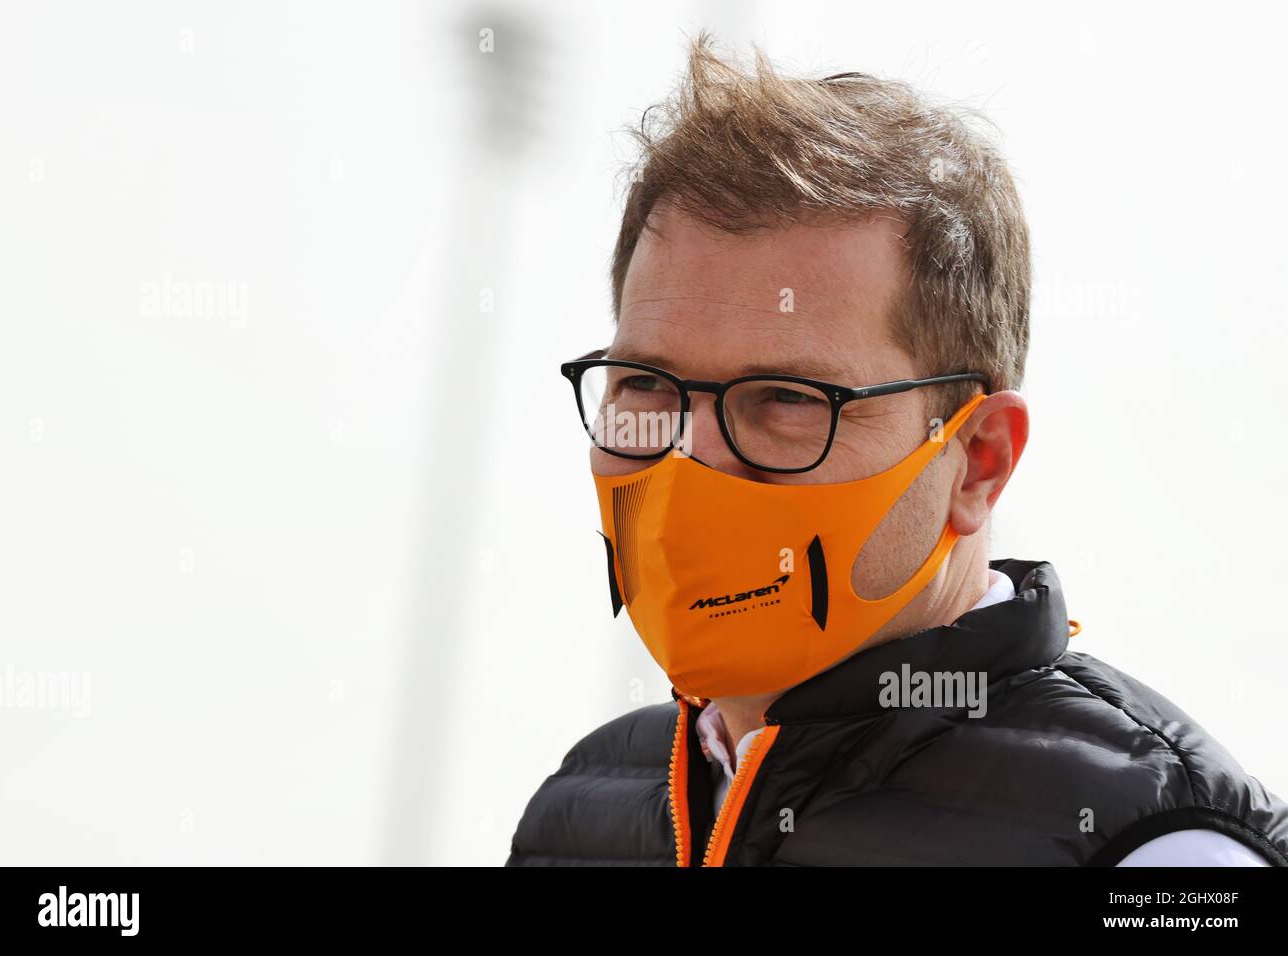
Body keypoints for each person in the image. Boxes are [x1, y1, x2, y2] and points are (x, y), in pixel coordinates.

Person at [506, 34, 1288, 866]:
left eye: (786, 399)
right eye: (647, 385)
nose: (687, 459)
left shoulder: (1157, 851)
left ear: (979, 460)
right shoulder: (581, 813)